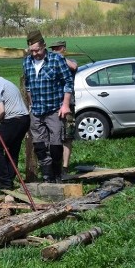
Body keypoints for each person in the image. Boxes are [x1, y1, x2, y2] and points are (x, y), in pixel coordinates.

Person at [22, 30, 73, 183]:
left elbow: (68, 83)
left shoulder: (56, 60)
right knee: (39, 147)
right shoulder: (27, 62)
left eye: (38, 49)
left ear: (44, 45)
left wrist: (65, 105)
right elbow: (28, 86)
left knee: (56, 146)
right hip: (36, 111)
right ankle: (47, 175)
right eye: (32, 50)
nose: (35, 53)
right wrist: (30, 104)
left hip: (54, 109)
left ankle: (57, 175)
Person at [0, 65, 31, 191]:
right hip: (24, 119)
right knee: (12, 150)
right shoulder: (6, 82)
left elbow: (1, 110)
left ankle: (3, 181)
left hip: (13, 120)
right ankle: (8, 180)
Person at [50, 40, 78, 171]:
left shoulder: (69, 60)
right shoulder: (50, 63)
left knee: (67, 136)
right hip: (53, 104)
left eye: (57, 49)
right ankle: (53, 164)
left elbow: (74, 67)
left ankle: (65, 166)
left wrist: (61, 58)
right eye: (53, 49)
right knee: (53, 136)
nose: (54, 51)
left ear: (63, 49)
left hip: (68, 104)